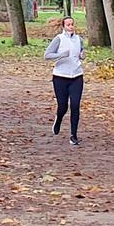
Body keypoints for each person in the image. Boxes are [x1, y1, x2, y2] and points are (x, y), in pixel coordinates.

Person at [44, 14, 85, 145]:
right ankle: (59, 118)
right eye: (68, 24)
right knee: (63, 106)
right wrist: (61, 55)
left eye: (72, 24)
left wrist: (82, 55)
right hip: (60, 76)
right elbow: (47, 55)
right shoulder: (59, 39)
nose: (71, 26)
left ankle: (73, 135)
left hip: (76, 76)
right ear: (63, 26)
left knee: (75, 105)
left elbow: (81, 52)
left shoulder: (79, 39)